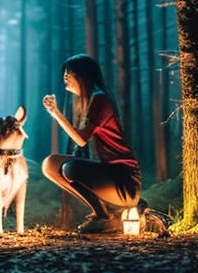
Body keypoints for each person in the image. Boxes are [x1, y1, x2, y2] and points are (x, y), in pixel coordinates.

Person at [41, 54, 142, 233]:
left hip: (124, 180)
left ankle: (104, 216)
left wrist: (56, 113)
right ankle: (104, 212)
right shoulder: (89, 100)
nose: (65, 76)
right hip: (108, 174)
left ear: (84, 75)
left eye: (70, 72)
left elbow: (81, 140)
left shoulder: (100, 100)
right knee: (50, 165)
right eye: (65, 72)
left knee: (69, 169)